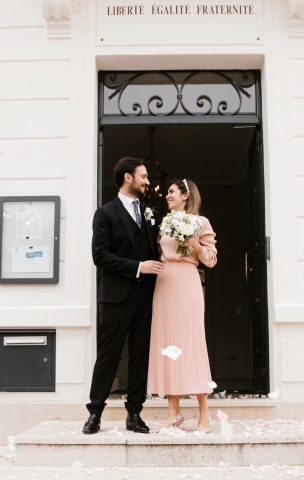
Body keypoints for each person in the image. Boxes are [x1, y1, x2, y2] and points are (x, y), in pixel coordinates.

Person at [83, 157, 164, 435]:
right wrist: (138, 267)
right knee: (109, 354)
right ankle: (95, 412)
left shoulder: (149, 211)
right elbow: (100, 256)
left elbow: (156, 248)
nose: (147, 181)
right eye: (143, 176)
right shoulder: (105, 213)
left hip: (146, 296)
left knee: (140, 355)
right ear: (128, 178)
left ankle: (135, 413)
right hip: (116, 297)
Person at [147, 179, 217, 433]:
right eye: (167, 192)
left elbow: (210, 260)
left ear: (185, 195)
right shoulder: (164, 223)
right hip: (164, 282)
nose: (167, 195)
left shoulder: (201, 222)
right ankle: (173, 412)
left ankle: (204, 414)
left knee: (191, 343)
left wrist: (194, 241)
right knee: (167, 344)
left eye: (171, 192)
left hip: (187, 281)